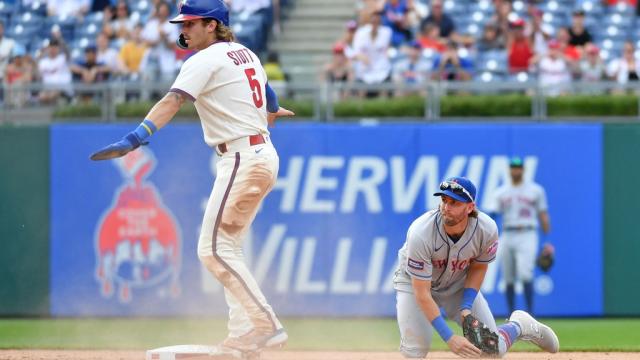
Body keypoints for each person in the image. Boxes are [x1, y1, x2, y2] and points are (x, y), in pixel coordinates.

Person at [89, 0, 295, 358]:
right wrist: (271, 108)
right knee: (229, 249)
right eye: (182, 24)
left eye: (190, 23)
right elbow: (264, 87)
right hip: (258, 155)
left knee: (212, 250)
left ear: (212, 25)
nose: (183, 30)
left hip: (243, 158)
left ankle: (266, 325)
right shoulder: (244, 52)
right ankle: (242, 335)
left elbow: (172, 101)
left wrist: (134, 138)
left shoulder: (204, 60)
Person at [393, 176, 559, 359]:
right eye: (444, 200)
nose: (446, 207)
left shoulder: (486, 229)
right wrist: (449, 338)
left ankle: (519, 326)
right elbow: (422, 293)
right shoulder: (421, 232)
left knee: (491, 350)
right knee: (415, 351)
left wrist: (466, 306)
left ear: (470, 207)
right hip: (413, 285)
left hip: (456, 284)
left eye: (454, 202)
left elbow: (479, 267)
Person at [490, 157, 551, 316]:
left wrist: (547, 242)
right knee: (508, 276)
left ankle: (530, 314)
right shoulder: (501, 192)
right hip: (508, 233)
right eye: (513, 167)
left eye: (518, 167)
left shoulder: (535, 190)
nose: (515, 170)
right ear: (509, 170)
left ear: (523, 170)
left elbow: (543, 215)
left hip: (528, 233)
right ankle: (511, 315)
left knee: (525, 273)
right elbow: (494, 215)